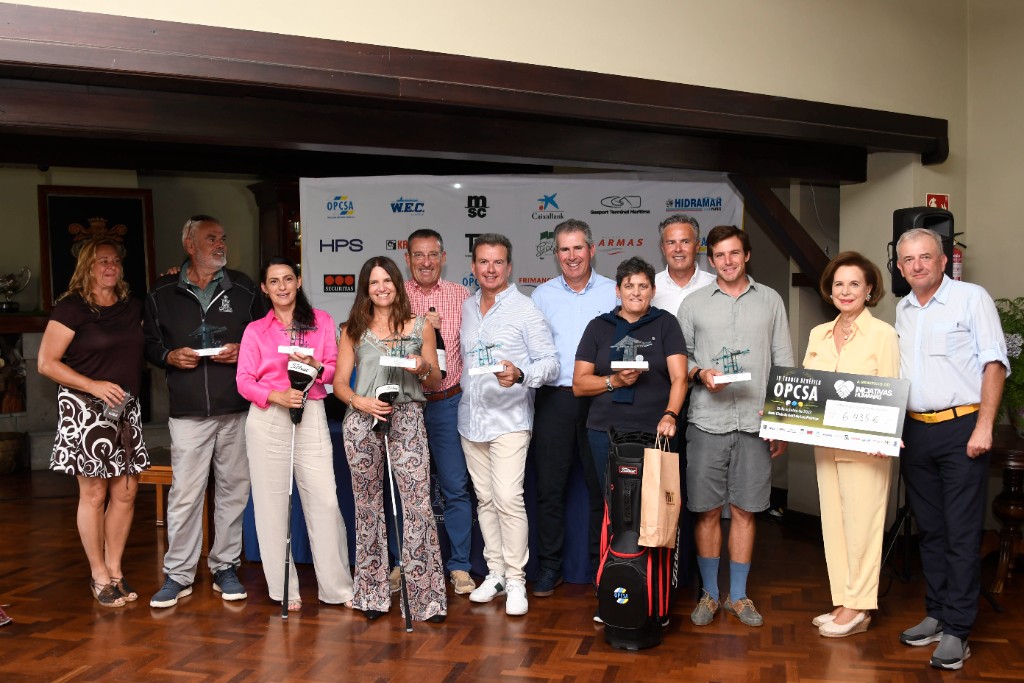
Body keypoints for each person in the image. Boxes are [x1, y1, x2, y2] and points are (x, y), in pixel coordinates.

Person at [895, 228, 1008, 670]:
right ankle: (938, 612)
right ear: (900, 268)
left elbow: (994, 362)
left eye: (926, 257)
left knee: (961, 533)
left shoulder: (971, 298)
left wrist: (984, 427)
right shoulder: (902, 310)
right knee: (932, 531)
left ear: (943, 261)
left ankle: (959, 629)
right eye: (909, 260)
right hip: (916, 432)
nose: (918, 265)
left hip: (963, 429)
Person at [144, 215, 264, 608]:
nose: (221, 244)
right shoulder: (161, 291)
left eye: (223, 238)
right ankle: (178, 573)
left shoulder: (244, 287)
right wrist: (167, 355)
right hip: (188, 412)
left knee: (233, 490)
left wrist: (242, 352)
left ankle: (224, 566)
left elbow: (265, 337)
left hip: (236, 408)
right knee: (185, 494)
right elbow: (148, 343)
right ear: (190, 244)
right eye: (211, 238)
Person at [677, 224, 793, 628]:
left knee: (746, 511)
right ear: (711, 260)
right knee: (706, 511)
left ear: (746, 256)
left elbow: (783, 360)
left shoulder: (771, 301)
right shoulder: (693, 304)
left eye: (734, 253)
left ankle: (738, 596)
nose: (727, 261)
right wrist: (699, 373)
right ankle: (710, 594)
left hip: (756, 423)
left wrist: (782, 422)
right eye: (719, 255)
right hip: (707, 421)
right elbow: (681, 359)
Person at [236, 256, 354, 612]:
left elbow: (334, 370)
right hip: (268, 416)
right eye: (274, 282)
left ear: (299, 281)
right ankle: (283, 589)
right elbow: (244, 381)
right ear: (264, 288)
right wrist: (275, 395)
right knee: (272, 506)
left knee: (325, 501)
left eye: (288, 279)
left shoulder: (322, 322)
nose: (282, 287)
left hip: (311, 411)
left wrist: (318, 368)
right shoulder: (256, 330)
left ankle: (337, 588)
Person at [38, 237, 150, 607]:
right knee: (95, 493)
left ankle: (115, 570)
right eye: (102, 261)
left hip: (124, 409)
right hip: (85, 408)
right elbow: (46, 363)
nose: (111, 267)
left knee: (127, 491)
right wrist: (93, 386)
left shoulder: (132, 307)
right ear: (86, 266)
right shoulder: (71, 308)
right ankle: (98, 574)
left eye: (115, 261)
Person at [335, 256, 447, 623]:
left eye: (387, 281)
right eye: (374, 283)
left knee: (418, 507)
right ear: (365, 289)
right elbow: (338, 383)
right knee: (367, 508)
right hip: (363, 419)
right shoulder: (353, 328)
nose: (381, 288)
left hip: (408, 418)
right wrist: (358, 400)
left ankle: (426, 599)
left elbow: (433, 381)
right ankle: (371, 594)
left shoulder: (420, 326)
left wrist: (423, 366)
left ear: (398, 285)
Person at [459, 233, 558, 617]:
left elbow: (550, 363)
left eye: (498, 262)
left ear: (509, 266)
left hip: (510, 420)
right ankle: (495, 573)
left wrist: (519, 374)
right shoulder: (467, 308)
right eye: (483, 261)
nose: (490, 269)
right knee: (484, 500)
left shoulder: (526, 310)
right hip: (471, 418)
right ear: (473, 266)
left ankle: (517, 580)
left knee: (507, 498)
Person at [802, 252, 899, 638]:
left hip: (868, 447)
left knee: (863, 525)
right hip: (825, 445)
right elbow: (808, 389)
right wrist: (781, 415)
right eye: (839, 284)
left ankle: (859, 606)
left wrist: (885, 438)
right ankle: (843, 599)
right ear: (830, 289)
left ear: (870, 289)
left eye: (854, 284)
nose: (846, 291)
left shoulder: (883, 334)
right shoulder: (818, 334)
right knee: (836, 526)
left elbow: (891, 387)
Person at [530, 218, 617, 595]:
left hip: (603, 398)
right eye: (563, 249)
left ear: (592, 250)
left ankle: (607, 567)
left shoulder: (616, 292)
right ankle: (550, 567)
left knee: (606, 489)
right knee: (550, 488)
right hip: (556, 399)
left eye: (578, 247)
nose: (571, 256)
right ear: (556, 255)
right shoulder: (542, 296)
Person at [573, 255, 688, 505]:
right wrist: (614, 381)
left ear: (653, 290)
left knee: (652, 509)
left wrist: (670, 415)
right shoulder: (598, 326)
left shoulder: (665, 323)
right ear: (618, 290)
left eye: (643, 286)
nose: (636, 293)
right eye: (628, 285)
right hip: (604, 432)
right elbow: (579, 384)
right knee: (609, 504)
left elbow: (680, 378)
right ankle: (608, 547)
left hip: (655, 431)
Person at [403, 229, 476, 596]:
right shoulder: (395, 296)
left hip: (448, 402)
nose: (426, 262)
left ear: (444, 257)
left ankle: (460, 566)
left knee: (455, 487)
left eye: (433, 255)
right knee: (407, 488)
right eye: (419, 255)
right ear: (408, 259)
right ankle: (405, 564)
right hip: (405, 405)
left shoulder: (462, 296)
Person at [650, 214, 716, 315]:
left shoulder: (715, 285)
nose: (678, 249)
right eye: (671, 242)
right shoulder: (648, 287)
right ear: (663, 248)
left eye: (685, 242)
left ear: (697, 246)